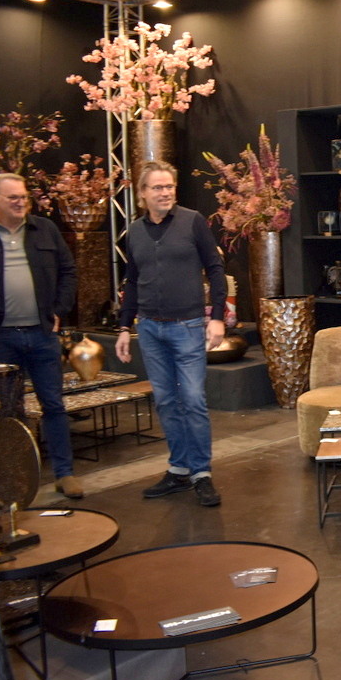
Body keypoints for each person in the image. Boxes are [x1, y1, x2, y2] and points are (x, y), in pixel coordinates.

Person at [0, 173, 83, 499]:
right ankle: (18, 476)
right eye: (12, 197)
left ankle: (65, 474)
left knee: (53, 405)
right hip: (1, 337)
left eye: (24, 196)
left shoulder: (45, 229)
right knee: (11, 409)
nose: (20, 202)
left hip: (42, 334)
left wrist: (59, 309)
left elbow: (69, 271)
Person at [115, 161, 226, 507]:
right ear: (142, 193)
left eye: (170, 186)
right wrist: (124, 327)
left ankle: (201, 473)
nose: (165, 193)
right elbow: (132, 282)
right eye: (158, 187)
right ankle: (179, 469)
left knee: (192, 400)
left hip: (187, 326)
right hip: (149, 328)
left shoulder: (192, 221)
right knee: (165, 401)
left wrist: (217, 317)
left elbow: (215, 269)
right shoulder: (134, 232)